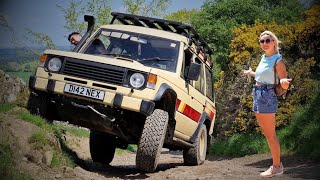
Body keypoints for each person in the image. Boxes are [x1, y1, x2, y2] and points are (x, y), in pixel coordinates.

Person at [242, 31, 291, 178]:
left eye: (267, 40)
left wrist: (284, 83)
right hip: (257, 93)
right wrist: (252, 73)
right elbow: (262, 75)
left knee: (270, 135)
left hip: (267, 95)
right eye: (261, 41)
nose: (264, 43)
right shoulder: (264, 57)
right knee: (267, 133)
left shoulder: (278, 60)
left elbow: (284, 84)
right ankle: (277, 166)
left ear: (274, 42)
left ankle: (277, 167)